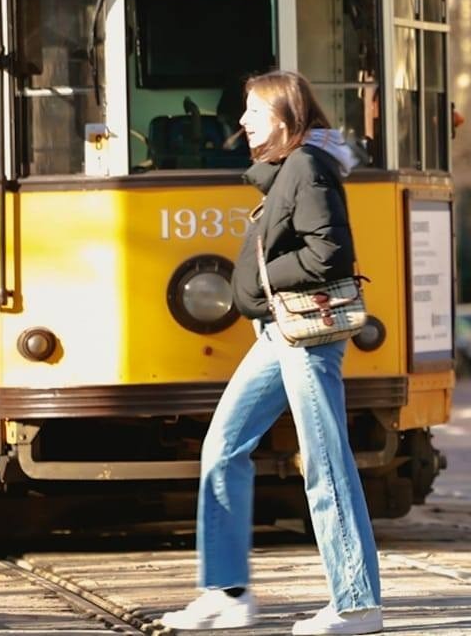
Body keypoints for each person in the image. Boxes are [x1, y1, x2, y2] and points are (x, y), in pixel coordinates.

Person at [160, 70, 382, 635]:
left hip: (307, 335)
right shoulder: (286, 171)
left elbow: (330, 252)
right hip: (278, 334)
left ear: (286, 117)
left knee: (325, 463)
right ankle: (227, 593)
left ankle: (357, 604)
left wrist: (260, 282)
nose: (241, 123)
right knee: (224, 446)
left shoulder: (307, 167)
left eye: (253, 113)